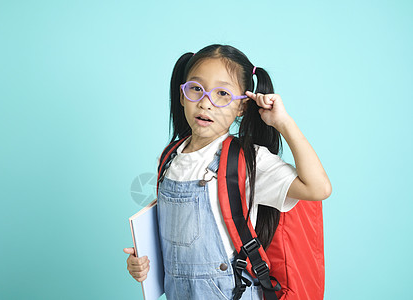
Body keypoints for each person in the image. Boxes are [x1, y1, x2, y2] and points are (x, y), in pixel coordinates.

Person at [123, 44, 332, 300]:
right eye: (196, 89)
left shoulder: (247, 161)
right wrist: (142, 264)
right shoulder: (169, 159)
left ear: (241, 107)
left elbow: (318, 188)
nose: (206, 103)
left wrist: (283, 122)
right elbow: (169, 244)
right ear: (181, 95)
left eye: (222, 93)